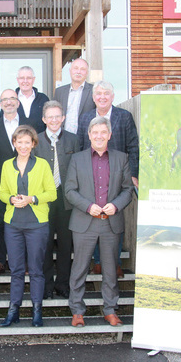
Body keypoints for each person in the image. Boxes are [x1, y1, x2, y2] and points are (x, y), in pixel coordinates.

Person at [65, 116, 133, 328]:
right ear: (89, 135)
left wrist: (116, 205)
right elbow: (69, 190)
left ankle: (110, 309)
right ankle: (77, 310)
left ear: (110, 135)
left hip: (110, 222)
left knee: (111, 269)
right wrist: (87, 206)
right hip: (85, 221)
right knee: (80, 268)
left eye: (103, 132)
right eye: (95, 133)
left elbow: (127, 190)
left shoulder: (121, 158)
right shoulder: (77, 159)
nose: (99, 136)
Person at [77, 80, 140, 278]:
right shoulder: (85, 117)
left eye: (106, 93)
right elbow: (80, 146)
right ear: (93, 97)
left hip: (117, 177)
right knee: (95, 217)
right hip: (91, 176)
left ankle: (115, 262)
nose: (102, 97)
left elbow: (133, 146)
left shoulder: (124, 116)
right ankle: (97, 261)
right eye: (98, 94)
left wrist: (133, 174)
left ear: (112, 96)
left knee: (114, 219)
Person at [0, 125, 57, 327]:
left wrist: (32, 198)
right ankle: (13, 310)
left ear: (33, 144)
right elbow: (2, 192)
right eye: (19, 142)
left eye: (27, 142)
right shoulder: (7, 165)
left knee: (36, 270)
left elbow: (52, 193)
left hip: (37, 224)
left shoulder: (42, 165)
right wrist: (11, 199)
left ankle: (37, 311)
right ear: (14, 143)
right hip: (13, 224)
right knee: (15, 269)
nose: (23, 146)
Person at [33, 100, 80, 299]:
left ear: (63, 118)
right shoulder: (36, 140)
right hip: (44, 200)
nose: (53, 120)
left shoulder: (73, 140)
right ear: (44, 119)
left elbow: (80, 169)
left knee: (65, 243)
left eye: (57, 116)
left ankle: (63, 284)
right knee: (43, 243)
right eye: (49, 117)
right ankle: (46, 286)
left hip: (67, 200)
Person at [0, 89, 29, 276]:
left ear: (18, 102)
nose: (9, 102)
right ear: (0, 104)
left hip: (25, 181)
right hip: (0, 183)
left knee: (24, 222)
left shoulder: (28, 125)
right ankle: (0, 260)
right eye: (5, 99)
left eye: (12, 98)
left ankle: (21, 261)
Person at [53, 58, 95, 134]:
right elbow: (53, 114)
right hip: (63, 138)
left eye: (82, 69)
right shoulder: (59, 92)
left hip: (86, 138)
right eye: (75, 68)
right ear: (70, 71)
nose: (78, 72)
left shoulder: (94, 91)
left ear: (87, 73)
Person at [15, 66, 49, 134]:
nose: (25, 81)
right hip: (17, 143)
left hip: (39, 143)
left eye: (28, 78)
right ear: (17, 80)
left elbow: (49, 123)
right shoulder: (11, 100)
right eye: (22, 78)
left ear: (33, 79)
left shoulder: (43, 99)